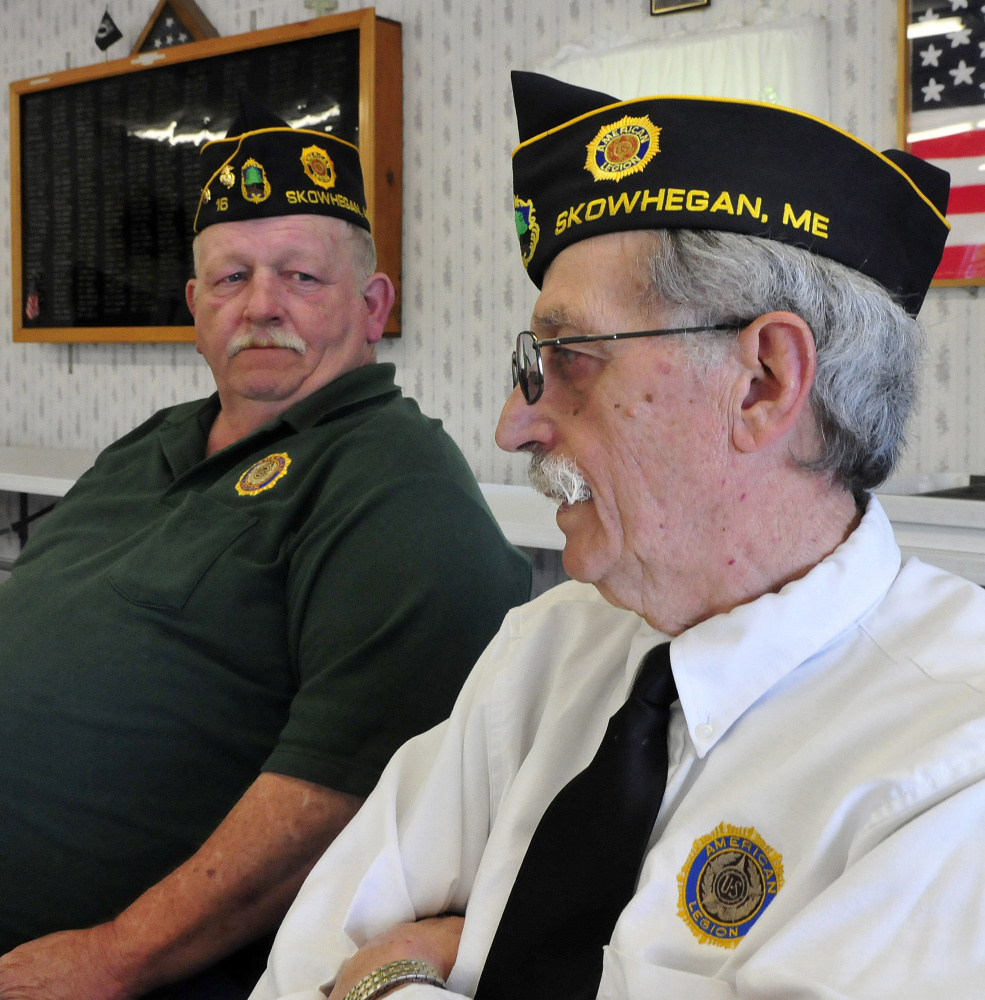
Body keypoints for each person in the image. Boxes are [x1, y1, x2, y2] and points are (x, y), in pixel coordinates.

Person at [250, 72, 985, 1000]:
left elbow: (348, 967)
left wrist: (391, 975)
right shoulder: (551, 647)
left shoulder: (954, 763)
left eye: (570, 361)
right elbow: (302, 961)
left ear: (761, 381)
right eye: (531, 365)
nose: (512, 426)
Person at [0, 98, 531, 1000]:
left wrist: (114, 955)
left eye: (300, 279)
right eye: (232, 277)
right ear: (194, 305)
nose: (260, 306)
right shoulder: (156, 438)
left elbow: (349, 792)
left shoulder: (395, 482)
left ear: (372, 305)